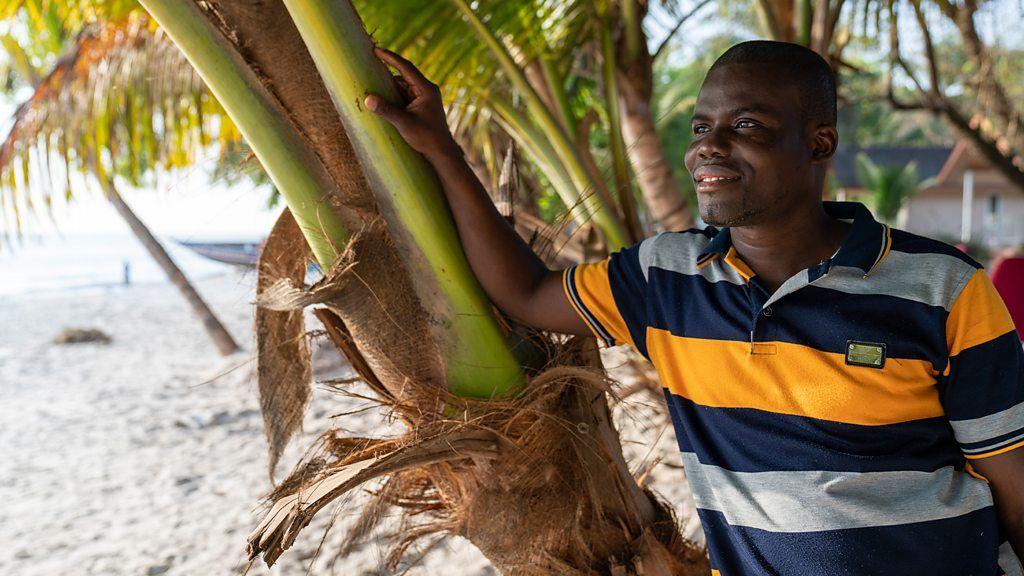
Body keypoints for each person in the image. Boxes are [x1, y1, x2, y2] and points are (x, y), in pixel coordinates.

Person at [364, 40, 1024, 575]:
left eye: (746, 127)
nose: (709, 145)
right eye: (702, 126)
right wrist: (442, 151)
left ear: (819, 144)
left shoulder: (942, 287)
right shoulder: (665, 279)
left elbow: (1011, 471)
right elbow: (527, 295)